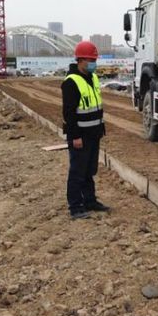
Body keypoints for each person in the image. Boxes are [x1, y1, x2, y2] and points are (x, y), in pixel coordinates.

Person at [61, 40, 109, 219]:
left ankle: (90, 201)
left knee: (90, 170)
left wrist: (100, 129)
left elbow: (96, 105)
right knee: (77, 172)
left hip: (94, 133)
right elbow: (69, 113)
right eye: (90, 60)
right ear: (80, 60)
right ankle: (75, 206)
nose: (93, 64)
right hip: (80, 136)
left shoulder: (93, 78)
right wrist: (75, 137)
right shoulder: (71, 82)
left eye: (94, 60)